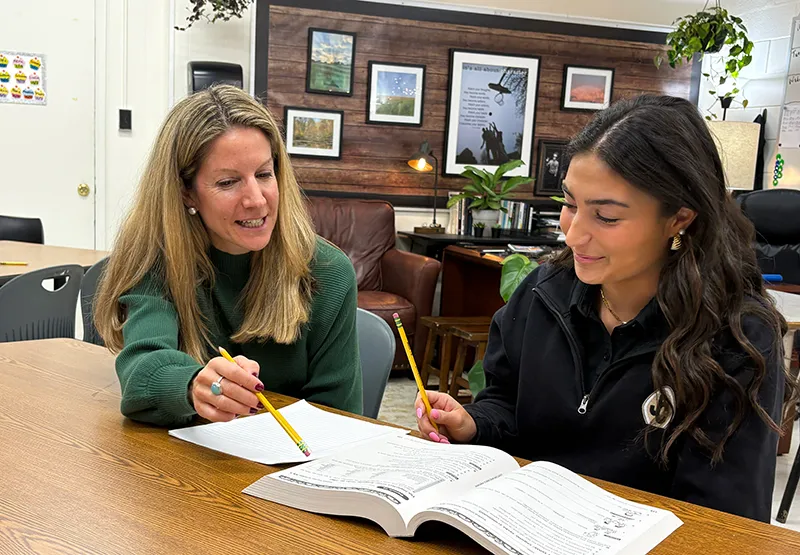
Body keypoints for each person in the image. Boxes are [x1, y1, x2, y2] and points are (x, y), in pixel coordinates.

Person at [415, 94, 796, 522]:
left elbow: (724, 521)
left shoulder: (734, 338)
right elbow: (504, 401)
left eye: (607, 217)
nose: (574, 236)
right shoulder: (545, 293)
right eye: (570, 205)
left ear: (679, 219)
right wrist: (474, 424)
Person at [94, 84, 362, 426]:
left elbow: (340, 415)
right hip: (191, 467)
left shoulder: (328, 271)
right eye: (227, 183)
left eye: (264, 174)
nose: (256, 200)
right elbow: (141, 372)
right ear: (186, 193)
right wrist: (193, 387)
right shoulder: (159, 258)